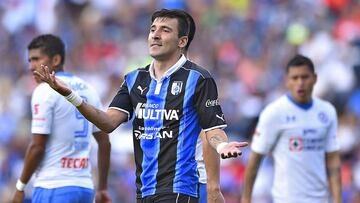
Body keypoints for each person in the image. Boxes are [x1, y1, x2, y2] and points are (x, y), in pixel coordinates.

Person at [35, 9, 248, 203]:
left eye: (165, 30)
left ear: (182, 41)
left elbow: (211, 129)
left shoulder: (198, 78)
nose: (155, 35)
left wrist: (221, 147)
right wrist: (70, 95)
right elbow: (107, 122)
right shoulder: (134, 79)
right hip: (144, 191)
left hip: (179, 189)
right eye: (153, 29)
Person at [12, 34, 112, 203]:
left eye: (36, 59)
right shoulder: (89, 89)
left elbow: (37, 146)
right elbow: (104, 142)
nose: (31, 66)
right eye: (29, 60)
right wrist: (102, 188)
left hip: (53, 186)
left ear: (56, 59)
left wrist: (20, 187)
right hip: (84, 188)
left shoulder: (44, 91)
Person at [242, 54, 342, 203]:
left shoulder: (327, 112)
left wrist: (337, 200)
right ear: (287, 81)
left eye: (305, 77)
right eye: (295, 78)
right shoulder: (274, 113)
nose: (300, 83)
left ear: (314, 78)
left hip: (321, 199)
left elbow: (333, 160)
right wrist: (246, 199)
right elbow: (255, 160)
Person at [181, 10, 225, 203]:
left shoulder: (197, 80)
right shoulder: (151, 82)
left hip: (193, 181)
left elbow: (209, 133)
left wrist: (213, 187)